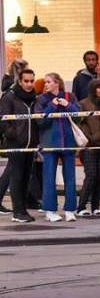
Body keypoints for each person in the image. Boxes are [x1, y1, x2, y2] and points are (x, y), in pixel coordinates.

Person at [35, 73, 81, 223]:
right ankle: (50, 210)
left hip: (68, 142)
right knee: (49, 178)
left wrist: (68, 105)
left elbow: (79, 116)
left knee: (70, 178)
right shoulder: (41, 100)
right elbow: (40, 121)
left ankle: (70, 210)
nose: (46, 84)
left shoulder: (69, 96)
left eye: (49, 82)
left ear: (57, 83)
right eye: (45, 82)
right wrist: (52, 106)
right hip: (49, 144)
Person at [0, 68, 38, 223]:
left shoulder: (34, 97)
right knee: (16, 177)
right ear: (20, 81)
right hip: (15, 143)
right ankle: (17, 212)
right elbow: (3, 120)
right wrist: (13, 133)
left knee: (25, 177)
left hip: (31, 143)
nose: (29, 84)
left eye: (31, 81)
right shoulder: (10, 96)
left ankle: (23, 210)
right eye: (26, 81)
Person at [76, 79, 100, 217]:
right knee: (91, 175)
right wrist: (89, 138)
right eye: (99, 88)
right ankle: (81, 207)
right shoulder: (83, 104)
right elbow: (79, 124)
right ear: (93, 89)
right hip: (89, 146)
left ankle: (95, 206)